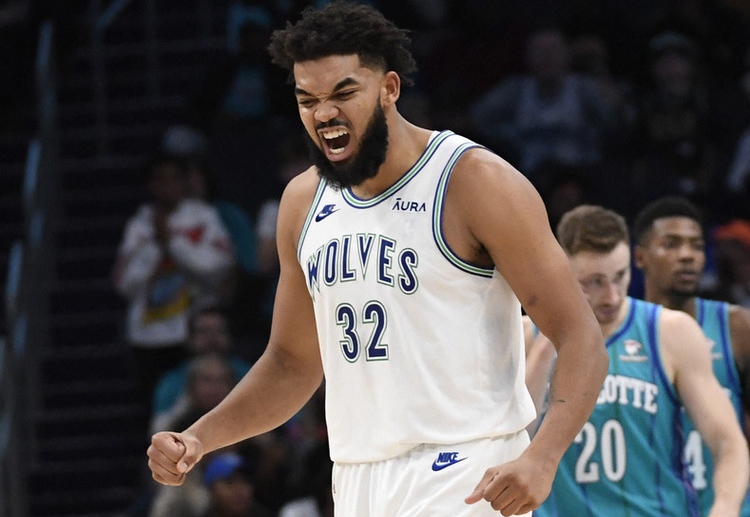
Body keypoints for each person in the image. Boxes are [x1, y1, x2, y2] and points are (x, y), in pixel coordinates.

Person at [147, 3, 608, 516]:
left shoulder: (473, 181)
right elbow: (292, 364)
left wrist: (543, 456)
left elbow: (580, 336)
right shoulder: (302, 201)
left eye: (343, 93)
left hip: (470, 469)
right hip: (358, 478)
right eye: (308, 100)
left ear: (389, 88)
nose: (324, 113)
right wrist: (200, 438)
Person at [530, 204, 749, 517]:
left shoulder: (670, 332)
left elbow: (729, 443)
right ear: (562, 274)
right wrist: (547, 343)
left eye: (620, 276)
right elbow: (510, 442)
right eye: (593, 282)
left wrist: (725, 507)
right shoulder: (525, 336)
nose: (611, 296)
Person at [632, 195, 750, 515]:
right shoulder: (619, 333)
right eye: (671, 244)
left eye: (696, 246)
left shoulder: (737, 329)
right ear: (640, 257)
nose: (687, 255)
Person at [113, 152, 235, 414]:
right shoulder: (139, 226)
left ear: (185, 181)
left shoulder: (203, 218)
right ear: (151, 185)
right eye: (161, 179)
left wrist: (173, 243)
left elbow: (216, 268)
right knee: (157, 409)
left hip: (192, 332)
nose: (168, 186)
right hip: (147, 336)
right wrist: (156, 247)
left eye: (175, 178)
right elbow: (124, 284)